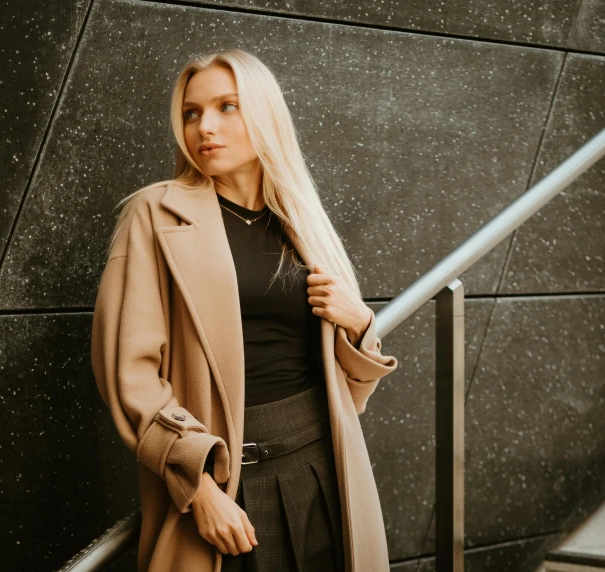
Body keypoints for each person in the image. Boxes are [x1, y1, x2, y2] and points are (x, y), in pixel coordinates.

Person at [91, 48, 399, 572]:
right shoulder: (156, 213)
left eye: (226, 107)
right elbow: (129, 373)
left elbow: (349, 391)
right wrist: (198, 485)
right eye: (192, 113)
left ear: (264, 113)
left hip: (325, 465)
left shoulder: (301, 221)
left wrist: (360, 323)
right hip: (226, 476)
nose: (204, 127)